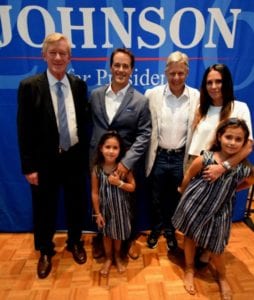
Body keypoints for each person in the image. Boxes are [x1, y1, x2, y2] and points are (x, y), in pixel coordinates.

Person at [17, 33, 90, 279]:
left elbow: (84, 123)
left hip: (75, 159)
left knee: (76, 204)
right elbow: (23, 129)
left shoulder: (79, 86)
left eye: (63, 53)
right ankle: (46, 250)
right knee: (44, 208)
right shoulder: (30, 87)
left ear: (70, 57)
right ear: (44, 55)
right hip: (44, 163)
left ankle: (75, 241)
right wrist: (29, 167)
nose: (58, 58)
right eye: (53, 53)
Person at [172, 118, 254, 299]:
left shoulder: (244, 167)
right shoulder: (206, 157)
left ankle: (222, 277)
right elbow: (189, 175)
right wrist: (182, 192)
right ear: (219, 136)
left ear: (244, 142)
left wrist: (233, 189)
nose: (232, 142)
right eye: (228, 137)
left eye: (238, 139)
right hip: (195, 205)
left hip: (220, 211)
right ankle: (189, 268)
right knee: (190, 236)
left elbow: (250, 181)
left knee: (217, 247)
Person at [188, 63, 253, 267]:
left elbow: (248, 145)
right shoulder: (201, 107)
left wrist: (223, 167)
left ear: (226, 83)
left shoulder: (239, 107)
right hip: (196, 164)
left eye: (218, 81)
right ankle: (195, 247)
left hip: (222, 170)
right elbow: (194, 141)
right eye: (209, 82)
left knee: (216, 214)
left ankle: (208, 251)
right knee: (195, 212)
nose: (214, 86)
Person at [89, 48, 151, 260]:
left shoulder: (140, 101)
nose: (121, 70)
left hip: (125, 165)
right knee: (101, 201)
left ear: (132, 69)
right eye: (117, 65)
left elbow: (145, 134)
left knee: (127, 205)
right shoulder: (96, 95)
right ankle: (101, 237)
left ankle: (127, 240)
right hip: (99, 162)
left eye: (126, 66)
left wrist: (125, 163)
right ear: (111, 66)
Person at [145, 51, 200, 251]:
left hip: (181, 158)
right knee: (156, 196)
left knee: (177, 197)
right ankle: (156, 228)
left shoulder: (197, 97)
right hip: (158, 156)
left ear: (187, 72)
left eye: (180, 73)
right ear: (166, 72)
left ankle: (170, 231)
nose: (176, 78)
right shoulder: (152, 95)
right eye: (172, 73)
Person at [91, 131, 136, 276]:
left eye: (115, 148)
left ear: (120, 150)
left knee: (117, 235)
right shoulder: (97, 169)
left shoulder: (123, 168)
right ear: (100, 148)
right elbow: (95, 193)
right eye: (107, 147)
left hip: (121, 210)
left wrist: (119, 183)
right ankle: (108, 258)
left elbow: (132, 187)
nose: (111, 151)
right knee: (106, 235)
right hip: (105, 211)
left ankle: (117, 256)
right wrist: (97, 213)